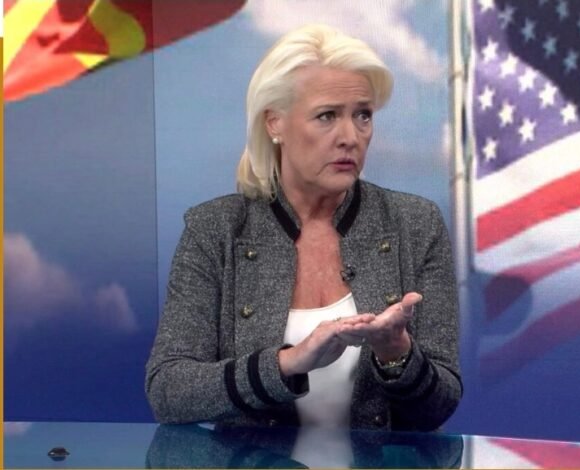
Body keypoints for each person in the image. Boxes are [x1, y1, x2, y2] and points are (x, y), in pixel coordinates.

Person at [145, 24, 461, 434]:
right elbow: (168, 390)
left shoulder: (415, 223)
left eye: (363, 115)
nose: (350, 137)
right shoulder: (215, 230)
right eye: (327, 116)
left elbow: (440, 406)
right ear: (274, 123)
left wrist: (396, 354)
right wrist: (287, 364)